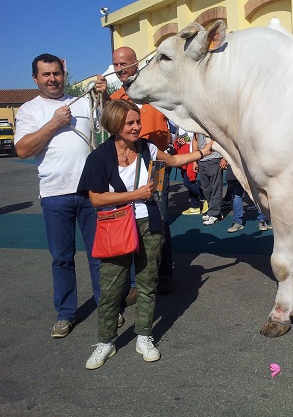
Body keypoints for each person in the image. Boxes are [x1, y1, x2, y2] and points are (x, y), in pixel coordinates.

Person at [78, 99, 212, 369]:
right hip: (116, 226)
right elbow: (95, 198)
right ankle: (105, 342)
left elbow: (173, 159)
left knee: (147, 283)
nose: (137, 126)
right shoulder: (99, 157)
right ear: (115, 125)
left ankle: (144, 336)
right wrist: (134, 195)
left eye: (137, 121)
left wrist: (202, 153)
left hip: (149, 224)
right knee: (112, 288)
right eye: (130, 123)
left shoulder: (148, 148)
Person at [14, 53, 103, 339]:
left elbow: (110, 125)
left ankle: (107, 305)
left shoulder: (83, 101)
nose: (52, 79)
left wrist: (106, 97)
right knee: (62, 258)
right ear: (35, 78)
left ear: (64, 74)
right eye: (46, 74)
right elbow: (23, 150)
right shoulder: (29, 110)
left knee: (98, 254)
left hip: (89, 192)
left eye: (57, 73)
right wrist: (53, 124)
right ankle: (66, 313)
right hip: (54, 194)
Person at [96, 46, 175, 295]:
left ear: (136, 63)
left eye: (124, 64)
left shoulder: (153, 86)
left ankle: (163, 274)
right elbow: (117, 117)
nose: (119, 69)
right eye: (116, 65)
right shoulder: (119, 94)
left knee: (158, 217)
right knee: (130, 216)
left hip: (156, 163)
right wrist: (106, 98)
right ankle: (134, 279)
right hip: (129, 161)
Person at [225, 167, 271, 233]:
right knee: (237, 195)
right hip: (239, 170)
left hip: (254, 169)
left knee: (260, 194)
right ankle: (237, 221)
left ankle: (262, 220)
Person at [193, 134, 226, 225]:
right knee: (206, 189)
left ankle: (214, 214)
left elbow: (224, 139)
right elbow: (195, 140)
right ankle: (214, 210)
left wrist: (224, 158)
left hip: (215, 158)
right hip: (201, 159)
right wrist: (195, 161)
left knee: (216, 187)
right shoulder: (197, 125)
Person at [174, 131, 208, 215]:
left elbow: (195, 142)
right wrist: (178, 143)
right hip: (183, 157)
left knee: (188, 182)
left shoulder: (193, 128)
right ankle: (195, 205)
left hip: (191, 157)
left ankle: (206, 197)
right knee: (190, 181)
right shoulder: (179, 127)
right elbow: (177, 140)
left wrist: (195, 160)